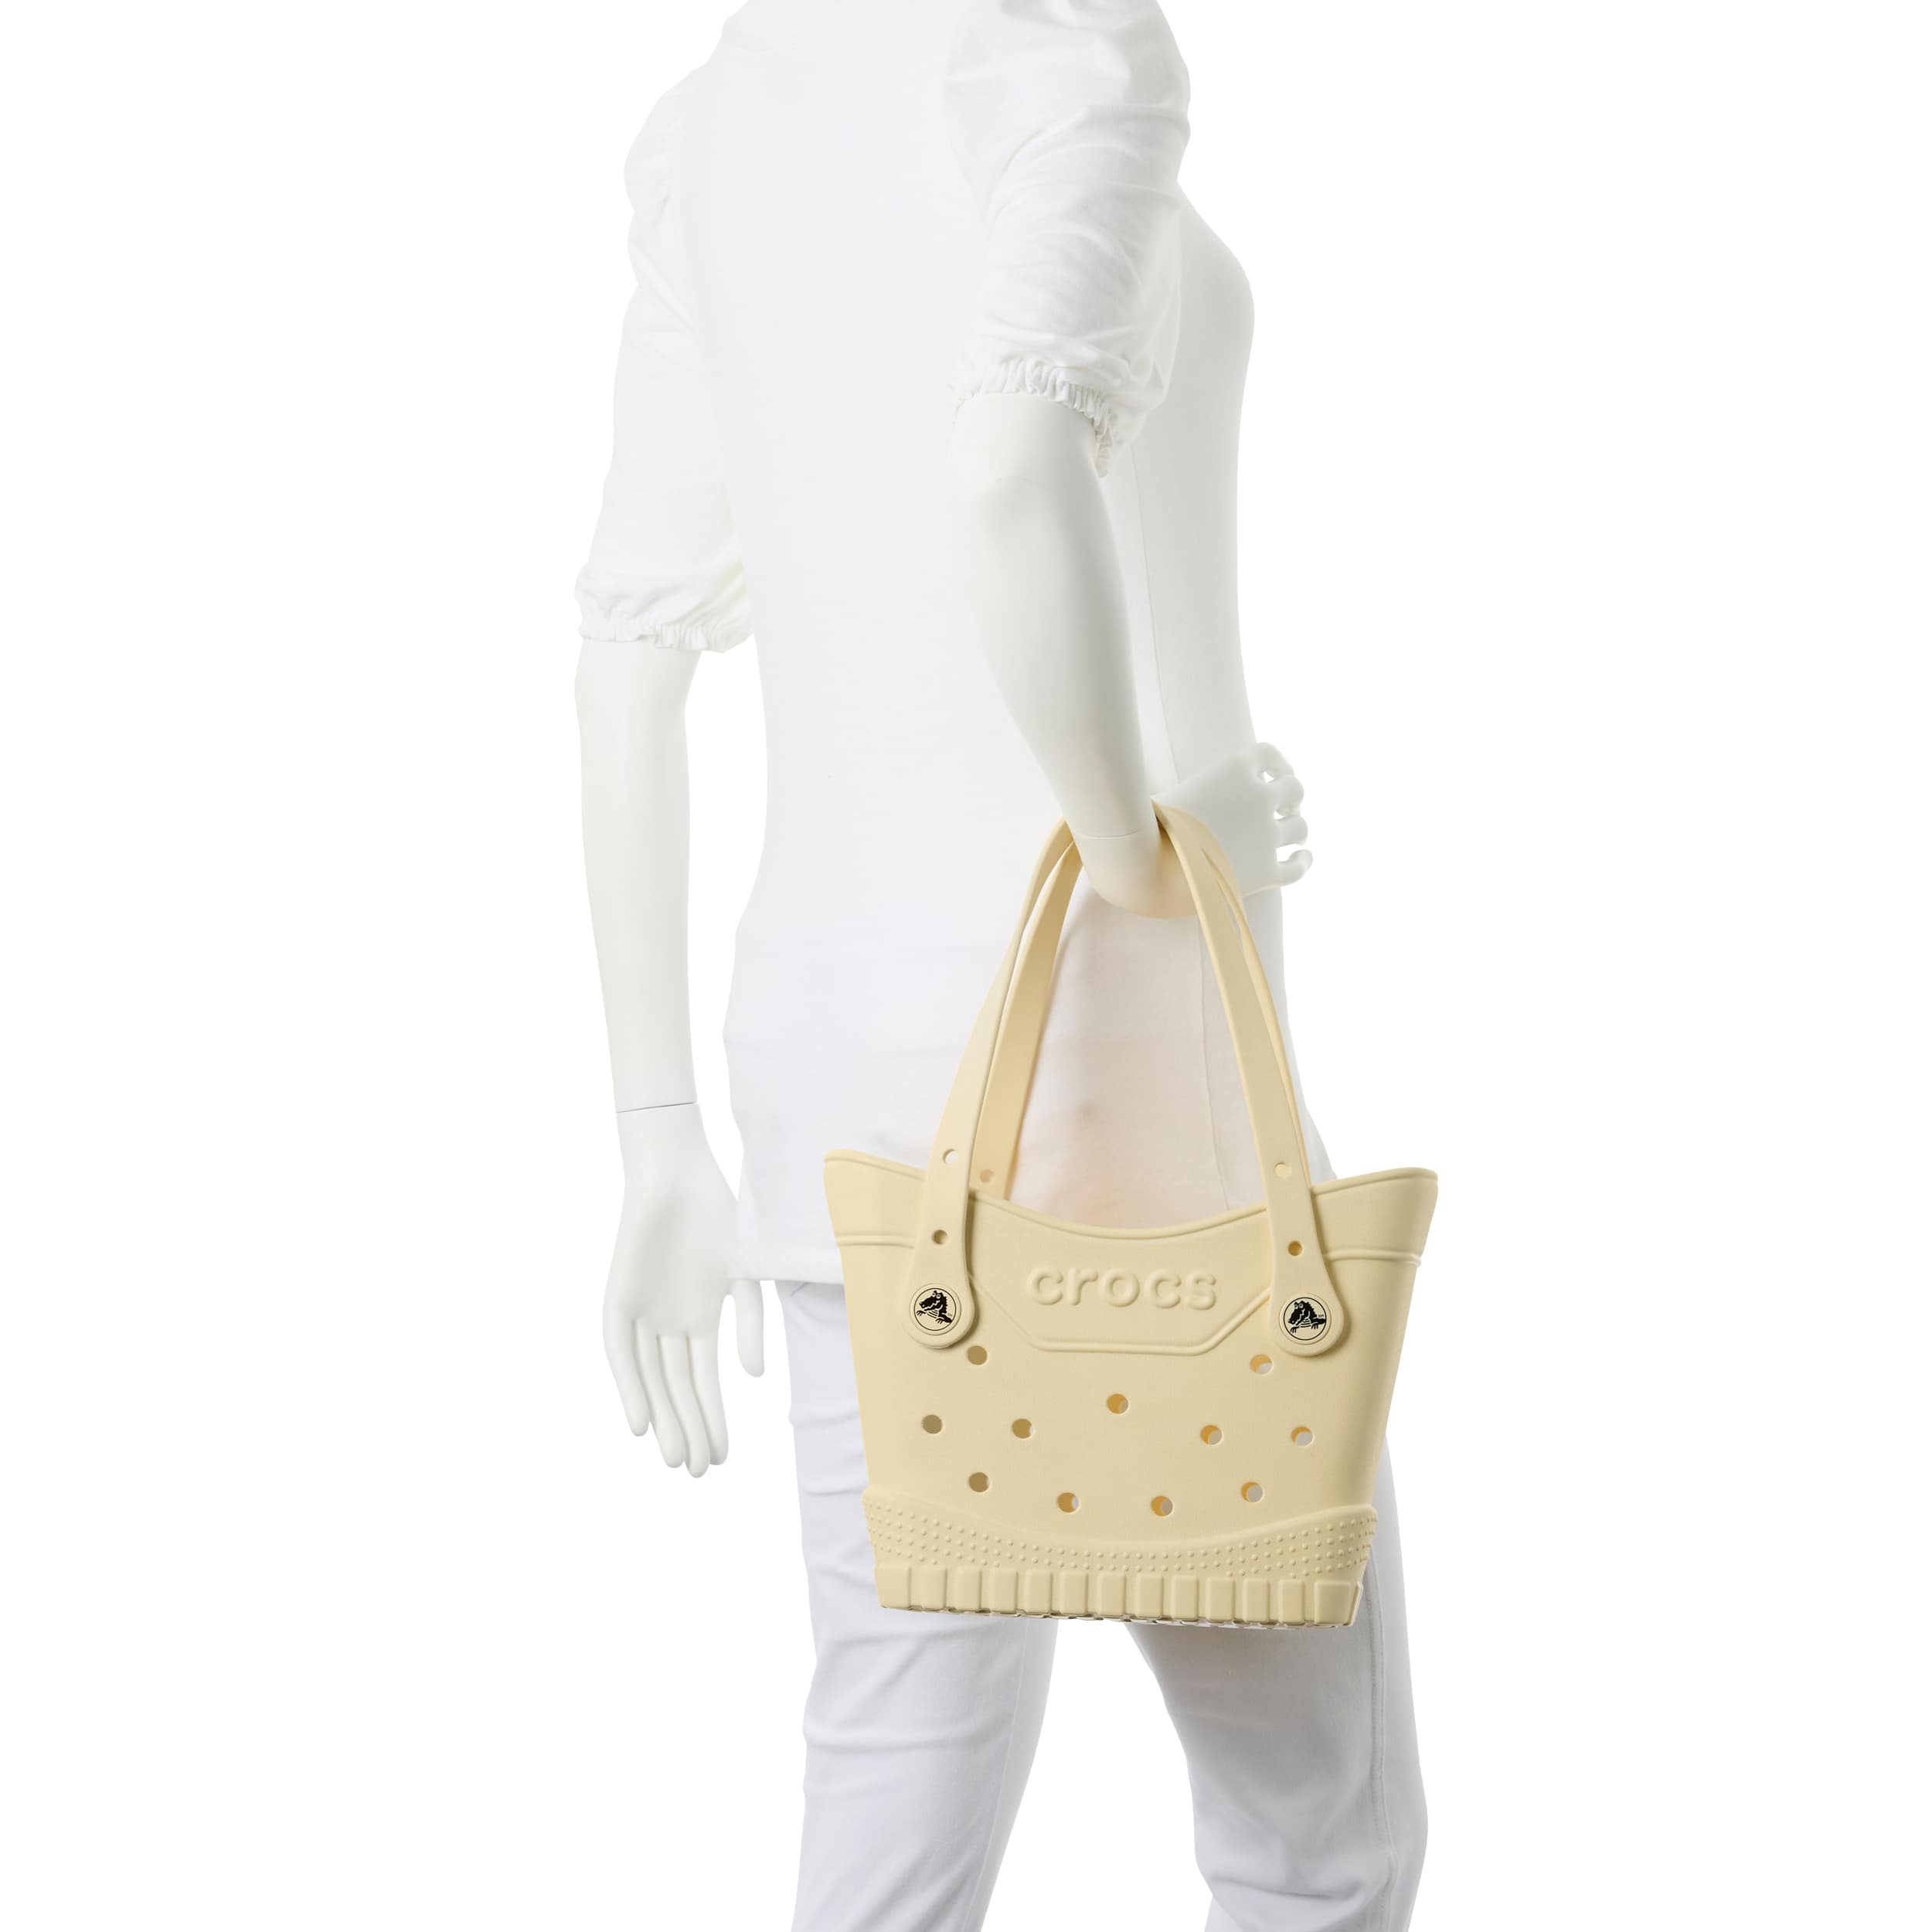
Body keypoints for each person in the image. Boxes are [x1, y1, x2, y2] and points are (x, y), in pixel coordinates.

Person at [575, 5, 1423, 1927]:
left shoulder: (721, 119)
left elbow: (625, 655)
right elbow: (1004, 466)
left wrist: (656, 1135)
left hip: (841, 1118)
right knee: (1313, 1829)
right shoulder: (1058, 52)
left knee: (888, 1834)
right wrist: (1151, 861)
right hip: (1148, 1116)